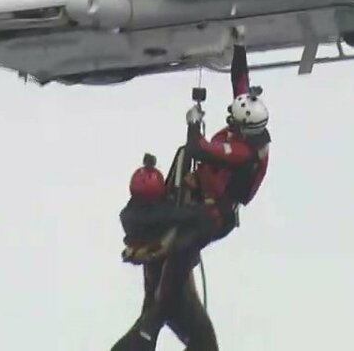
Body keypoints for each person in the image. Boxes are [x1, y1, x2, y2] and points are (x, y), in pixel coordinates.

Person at [118, 31, 272, 350]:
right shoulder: (247, 120)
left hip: (215, 215)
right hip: (202, 195)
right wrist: (240, 46)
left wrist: (193, 121)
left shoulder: (242, 152)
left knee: (182, 247)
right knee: (175, 255)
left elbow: (199, 148)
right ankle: (151, 322)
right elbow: (240, 82)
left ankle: (150, 325)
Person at [113, 155, 218, 351]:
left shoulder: (131, 214)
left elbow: (171, 211)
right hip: (174, 289)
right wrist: (204, 210)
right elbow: (174, 215)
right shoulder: (153, 218)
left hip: (163, 284)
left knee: (149, 323)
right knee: (203, 342)